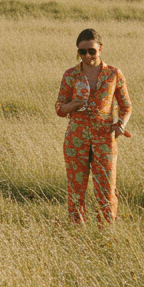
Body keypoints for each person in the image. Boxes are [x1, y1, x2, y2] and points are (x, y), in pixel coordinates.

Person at [55, 29, 132, 225]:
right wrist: (74, 105)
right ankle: (76, 230)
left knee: (106, 188)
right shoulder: (71, 75)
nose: (87, 56)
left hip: (104, 137)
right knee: (76, 189)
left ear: (100, 49)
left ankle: (106, 232)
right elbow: (59, 108)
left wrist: (120, 124)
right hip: (76, 137)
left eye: (91, 51)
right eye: (82, 52)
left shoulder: (113, 73)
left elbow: (126, 106)